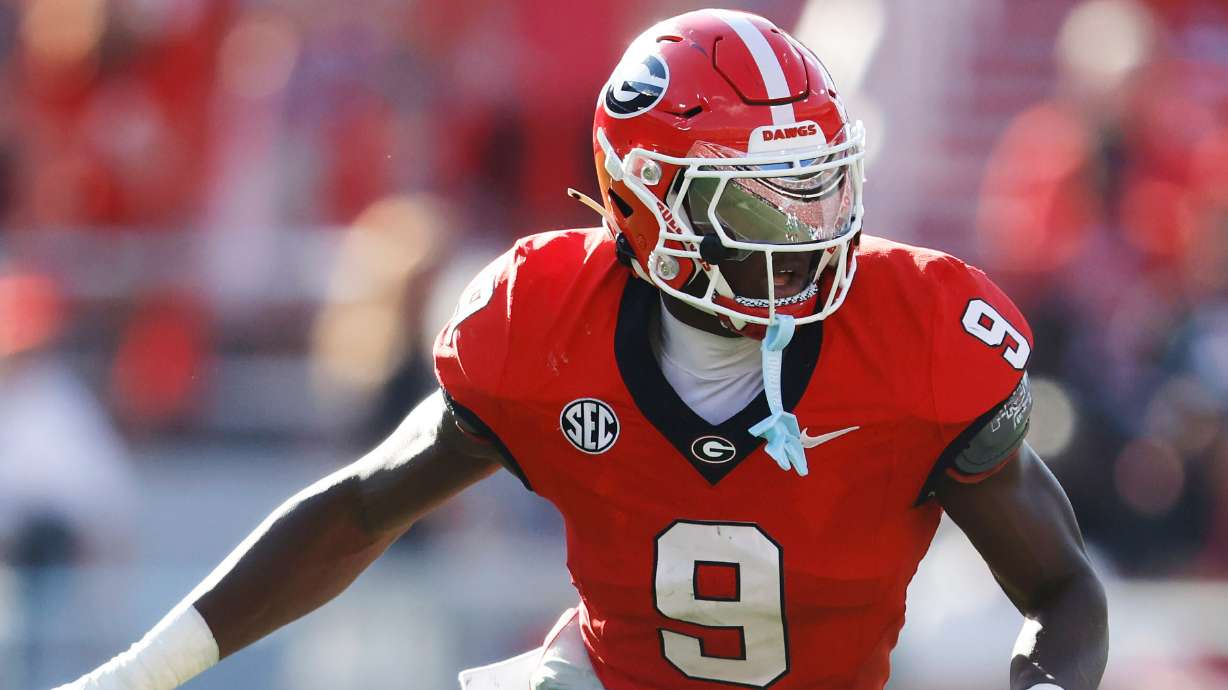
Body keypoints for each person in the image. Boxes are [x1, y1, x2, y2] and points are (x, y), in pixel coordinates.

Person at [53, 9, 1108, 690]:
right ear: (646, 203)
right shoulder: (547, 320)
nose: (812, 232)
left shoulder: (917, 330)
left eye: (823, 189)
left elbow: (1062, 592)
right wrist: (137, 677)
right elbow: (358, 509)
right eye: (765, 202)